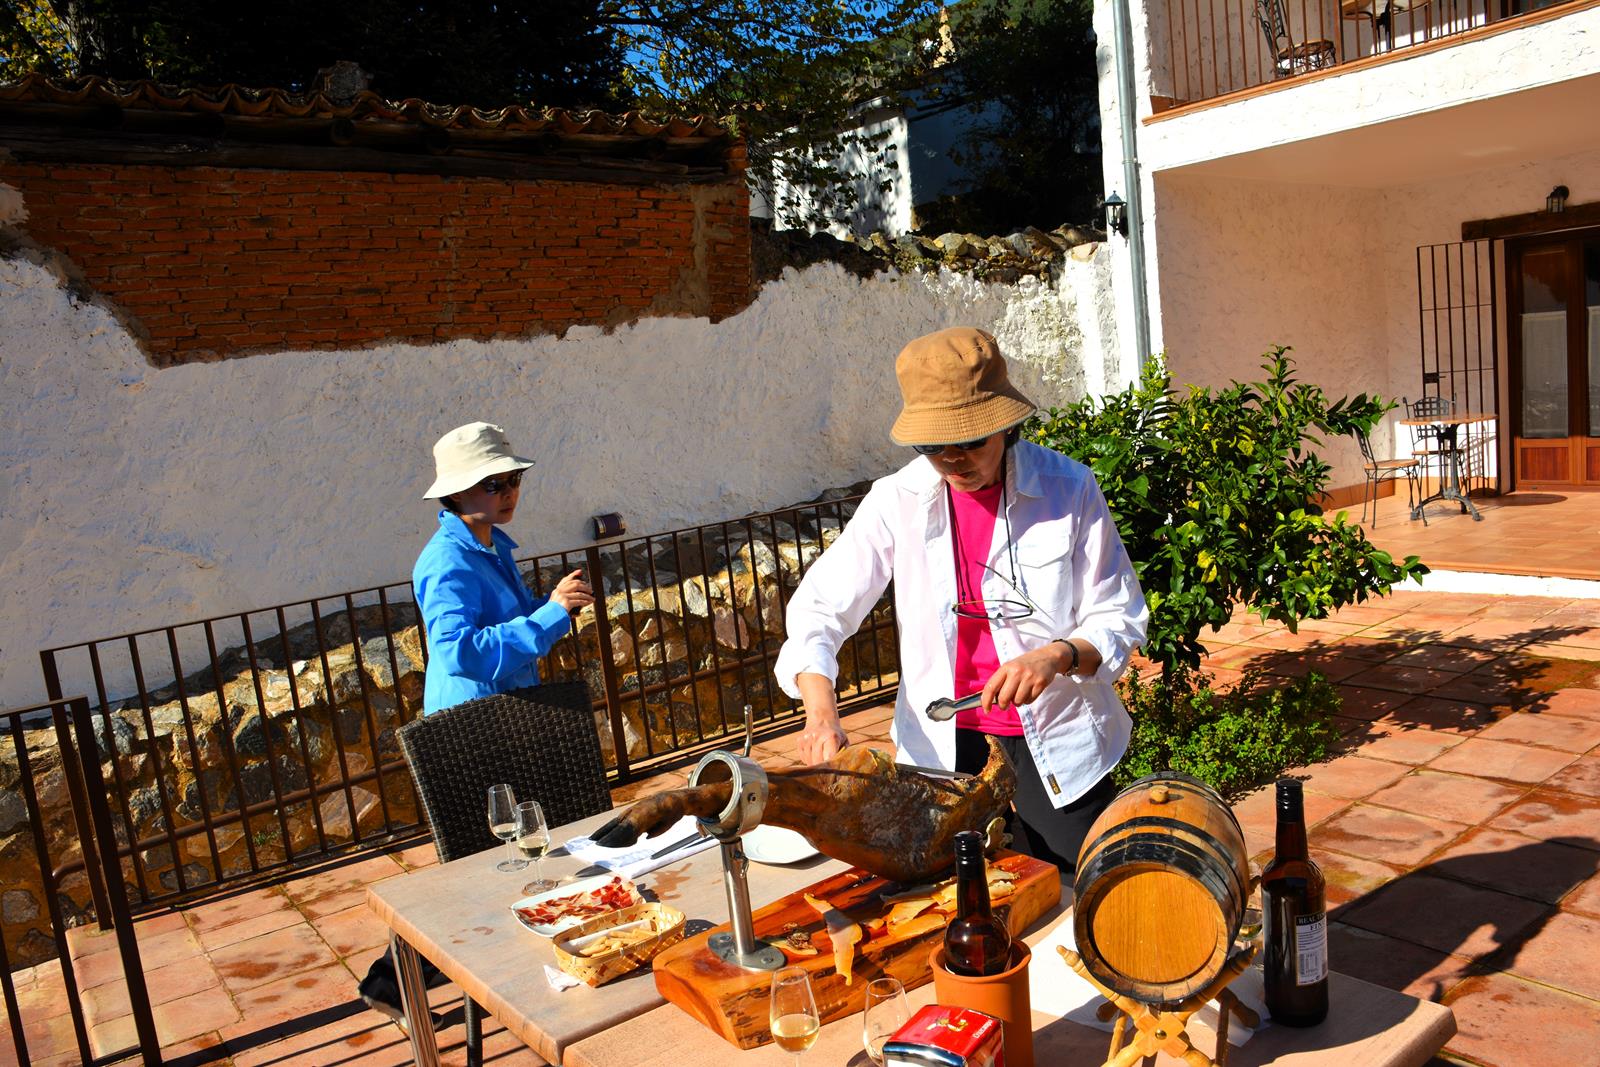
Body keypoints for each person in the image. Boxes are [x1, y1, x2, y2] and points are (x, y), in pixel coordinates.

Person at [774, 327, 1147, 871]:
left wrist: (1057, 654)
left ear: (1006, 426)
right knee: (955, 897)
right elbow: (820, 608)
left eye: (972, 442)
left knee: (1077, 887)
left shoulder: (1069, 488)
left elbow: (1118, 614)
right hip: (942, 742)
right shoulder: (895, 500)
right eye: (934, 449)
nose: (954, 462)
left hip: (1057, 736)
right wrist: (820, 713)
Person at [360, 421, 594, 1025]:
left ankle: (404, 982)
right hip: (469, 731)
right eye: (494, 483)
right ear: (458, 493)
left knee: (504, 861)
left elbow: (504, 634)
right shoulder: (448, 561)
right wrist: (547, 615)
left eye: (512, 479)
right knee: (476, 868)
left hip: (501, 719)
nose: (509, 492)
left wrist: (548, 610)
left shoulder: (488, 543)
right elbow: (459, 650)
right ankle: (394, 982)